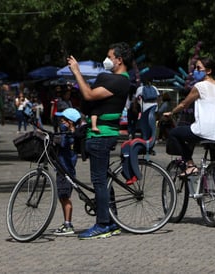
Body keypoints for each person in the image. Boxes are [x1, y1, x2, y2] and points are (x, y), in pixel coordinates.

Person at [68, 42, 133, 239]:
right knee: (103, 181)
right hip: (99, 134)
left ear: (119, 60)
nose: (106, 60)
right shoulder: (116, 79)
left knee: (98, 181)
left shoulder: (119, 81)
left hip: (102, 135)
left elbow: (88, 95)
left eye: (109, 56)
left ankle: (103, 224)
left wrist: (76, 71)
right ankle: (112, 221)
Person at [164, 57, 215, 190]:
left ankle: (190, 165)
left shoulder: (200, 86)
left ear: (209, 70)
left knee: (174, 134)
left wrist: (171, 113)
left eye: (198, 68)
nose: (195, 71)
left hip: (205, 130)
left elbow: (184, 104)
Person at [52, 108, 81, 235]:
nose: (60, 122)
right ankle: (66, 222)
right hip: (62, 170)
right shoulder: (68, 135)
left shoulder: (69, 137)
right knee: (62, 197)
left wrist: (64, 132)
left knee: (65, 197)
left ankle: (68, 224)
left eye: (62, 120)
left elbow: (63, 144)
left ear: (70, 122)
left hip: (66, 172)